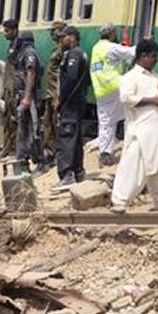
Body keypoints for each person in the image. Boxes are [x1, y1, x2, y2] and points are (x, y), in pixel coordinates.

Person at [110, 40, 158, 213]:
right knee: (133, 167)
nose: (156, 60)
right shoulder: (130, 77)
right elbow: (126, 99)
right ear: (143, 56)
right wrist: (150, 101)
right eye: (153, 56)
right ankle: (120, 200)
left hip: (157, 132)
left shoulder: (155, 77)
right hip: (140, 131)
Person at [90, 23, 135, 167]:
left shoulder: (96, 48)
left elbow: (109, 61)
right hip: (116, 87)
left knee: (106, 122)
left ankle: (105, 152)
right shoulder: (111, 48)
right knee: (131, 112)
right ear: (112, 34)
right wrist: (146, 42)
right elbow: (132, 53)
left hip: (101, 89)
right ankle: (132, 145)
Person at [53, 26, 89, 191]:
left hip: (70, 103)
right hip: (78, 101)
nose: (62, 40)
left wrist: (60, 99)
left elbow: (71, 78)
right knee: (75, 136)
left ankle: (67, 174)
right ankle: (78, 172)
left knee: (66, 137)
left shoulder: (74, 54)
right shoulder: (82, 53)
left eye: (64, 37)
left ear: (72, 37)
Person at [12, 31, 44, 172]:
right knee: (23, 130)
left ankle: (41, 161)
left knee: (33, 130)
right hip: (22, 96)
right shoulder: (22, 53)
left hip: (29, 98)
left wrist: (27, 97)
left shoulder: (29, 53)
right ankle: (23, 160)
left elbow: (31, 73)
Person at [41, 21, 67, 167]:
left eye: (54, 31)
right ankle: (49, 153)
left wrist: (58, 96)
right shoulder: (57, 48)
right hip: (50, 93)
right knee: (47, 124)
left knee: (56, 125)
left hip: (56, 94)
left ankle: (57, 154)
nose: (51, 34)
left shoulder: (63, 49)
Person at [0, 20, 19, 160]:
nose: (5, 34)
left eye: (7, 31)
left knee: (14, 120)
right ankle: (8, 147)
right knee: (7, 119)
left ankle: (14, 149)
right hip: (8, 88)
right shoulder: (12, 45)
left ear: (15, 30)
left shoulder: (18, 46)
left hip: (13, 89)